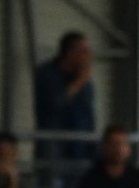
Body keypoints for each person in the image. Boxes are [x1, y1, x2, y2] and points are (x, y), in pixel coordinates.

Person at [32, 32, 96, 171]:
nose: (88, 57)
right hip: (55, 148)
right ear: (70, 52)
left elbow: (88, 115)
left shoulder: (84, 82)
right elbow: (55, 104)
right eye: (84, 51)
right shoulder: (47, 74)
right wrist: (79, 82)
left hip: (80, 149)